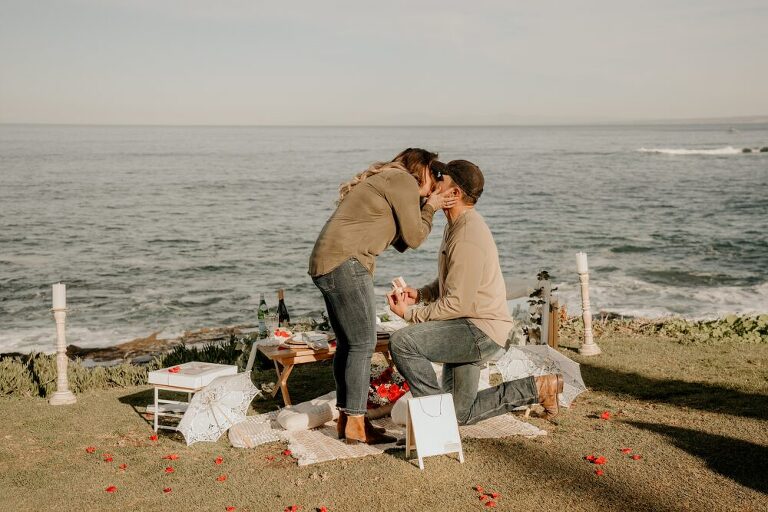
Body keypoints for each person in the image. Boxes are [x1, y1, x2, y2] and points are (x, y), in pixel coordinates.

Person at [387, 159, 563, 426]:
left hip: (478, 331)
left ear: (454, 193)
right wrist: (421, 295)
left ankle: (434, 421)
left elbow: (457, 303)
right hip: (468, 326)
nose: (433, 183)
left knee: (403, 342)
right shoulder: (456, 225)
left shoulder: (467, 233)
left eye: (440, 179)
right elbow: (455, 280)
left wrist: (411, 313)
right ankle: (539, 388)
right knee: (461, 413)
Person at [309, 148, 457, 444]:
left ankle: (350, 420)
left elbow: (402, 241)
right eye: (435, 174)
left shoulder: (391, 180)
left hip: (330, 261)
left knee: (350, 344)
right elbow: (415, 238)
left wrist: (426, 204)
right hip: (346, 262)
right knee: (363, 343)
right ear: (424, 169)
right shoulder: (402, 180)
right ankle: (355, 423)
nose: (436, 182)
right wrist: (431, 206)